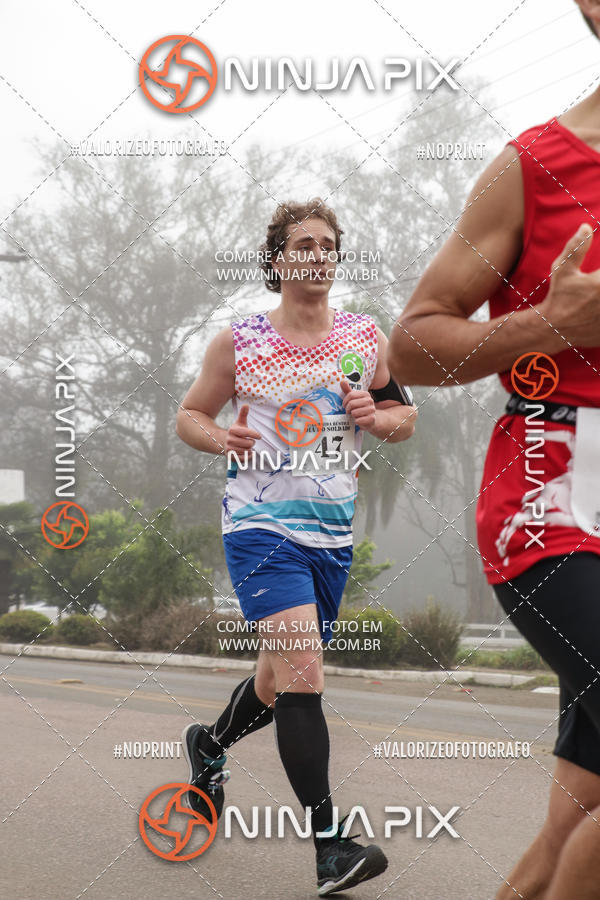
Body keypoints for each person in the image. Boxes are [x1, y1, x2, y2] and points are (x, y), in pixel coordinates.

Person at [386, 4, 600, 897]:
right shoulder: (535, 166)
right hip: (556, 504)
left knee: (576, 821)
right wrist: (547, 323)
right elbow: (412, 345)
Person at [175, 197, 417, 895]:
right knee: (306, 676)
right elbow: (190, 413)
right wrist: (220, 436)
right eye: (303, 244)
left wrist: (382, 415)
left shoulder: (364, 338)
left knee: (279, 679)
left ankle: (209, 745)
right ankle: (330, 848)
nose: (317, 253)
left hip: (330, 535)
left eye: (328, 243)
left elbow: (405, 415)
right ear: (277, 260)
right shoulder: (240, 342)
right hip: (259, 529)